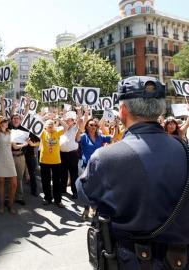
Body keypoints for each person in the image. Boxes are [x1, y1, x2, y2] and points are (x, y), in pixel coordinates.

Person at [76, 76, 188, 269]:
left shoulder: (105, 157)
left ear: (123, 111)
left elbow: (84, 195)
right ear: (161, 110)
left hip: (130, 260)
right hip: (180, 259)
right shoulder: (185, 150)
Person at [0, 115, 23, 214]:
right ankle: (1, 205)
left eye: (5, 121)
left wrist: (25, 143)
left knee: (14, 184)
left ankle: (10, 204)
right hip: (0, 160)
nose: (5, 123)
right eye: (2, 121)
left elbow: (14, 146)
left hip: (10, 160)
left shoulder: (11, 132)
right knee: (1, 183)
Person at [40, 118, 68, 208]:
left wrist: (59, 119)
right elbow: (35, 126)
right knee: (45, 181)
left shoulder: (57, 132)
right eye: (49, 124)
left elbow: (66, 127)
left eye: (52, 124)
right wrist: (42, 119)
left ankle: (58, 200)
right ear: (45, 126)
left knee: (57, 182)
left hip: (56, 161)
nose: (51, 125)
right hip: (44, 160)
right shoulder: (43, 133)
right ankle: (47, 198)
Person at [59, 111, 80, 199]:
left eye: (70, 120)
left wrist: (79, 111)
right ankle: (63, 189)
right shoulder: (61, 129)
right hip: (62, 154)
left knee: (73, 174)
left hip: (72, 155)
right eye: (67, 120)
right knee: (63, 173)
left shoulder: (75, 128)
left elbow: (79, 120)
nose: (68, 122)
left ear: (73, 121)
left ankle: (74, 191)